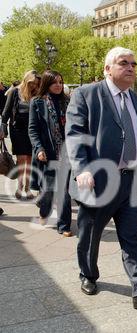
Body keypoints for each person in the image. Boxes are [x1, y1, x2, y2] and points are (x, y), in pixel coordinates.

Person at [65, 47, 137, 310]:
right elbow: (75, 134)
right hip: (99, 179)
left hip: (131, 180)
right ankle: (88, 274)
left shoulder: (135, 100)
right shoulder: (86, 95)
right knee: (90, 235)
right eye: (124, 63)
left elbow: (134, 133)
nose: (131, 67)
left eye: (134, 63)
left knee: (134, 238)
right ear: (107, 68)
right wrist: (82, 169)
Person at [28, 70, 73, 234]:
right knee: (47, 189)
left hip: (66, 152)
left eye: (61, 82)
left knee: (64, 190)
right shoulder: (37, 102)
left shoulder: (68, 101)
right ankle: (44, 210)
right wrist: (39, 148)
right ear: (47, 84)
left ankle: (64, 225)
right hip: (48, 153)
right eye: (55, 82)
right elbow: (32, 129)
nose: (59, 85)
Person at [2, 70, 41, 200]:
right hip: (17, 129)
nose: (33, 86)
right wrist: (3, 127)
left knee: (30, 159)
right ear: (26, 81)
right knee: (21, 159)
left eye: (36, 84)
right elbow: (6, 112)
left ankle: (28, 188)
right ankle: (19, 187)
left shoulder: (37, 93)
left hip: (32, 130)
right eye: (31, 83)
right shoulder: (14, 92)